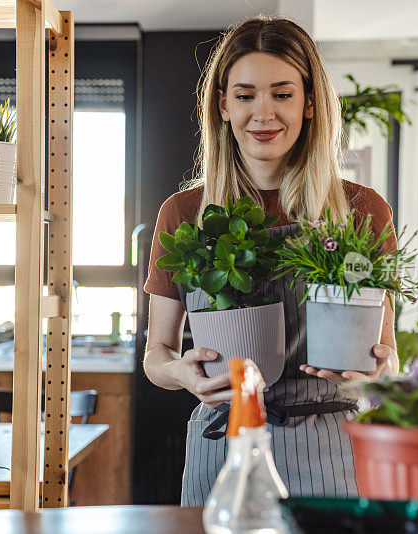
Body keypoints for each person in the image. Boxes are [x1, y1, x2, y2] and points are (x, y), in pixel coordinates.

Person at [142, 16, 400, 505]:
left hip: (335, 445)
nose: (263, 113)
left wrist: (379, 373)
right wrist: (181, 374)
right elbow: (158, 355)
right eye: (245, 95)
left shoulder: (362, 210)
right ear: (222, 105)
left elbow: (387, 353)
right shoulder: (184, 214)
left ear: (308, 103)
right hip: (226, 440)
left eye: (282, 94)